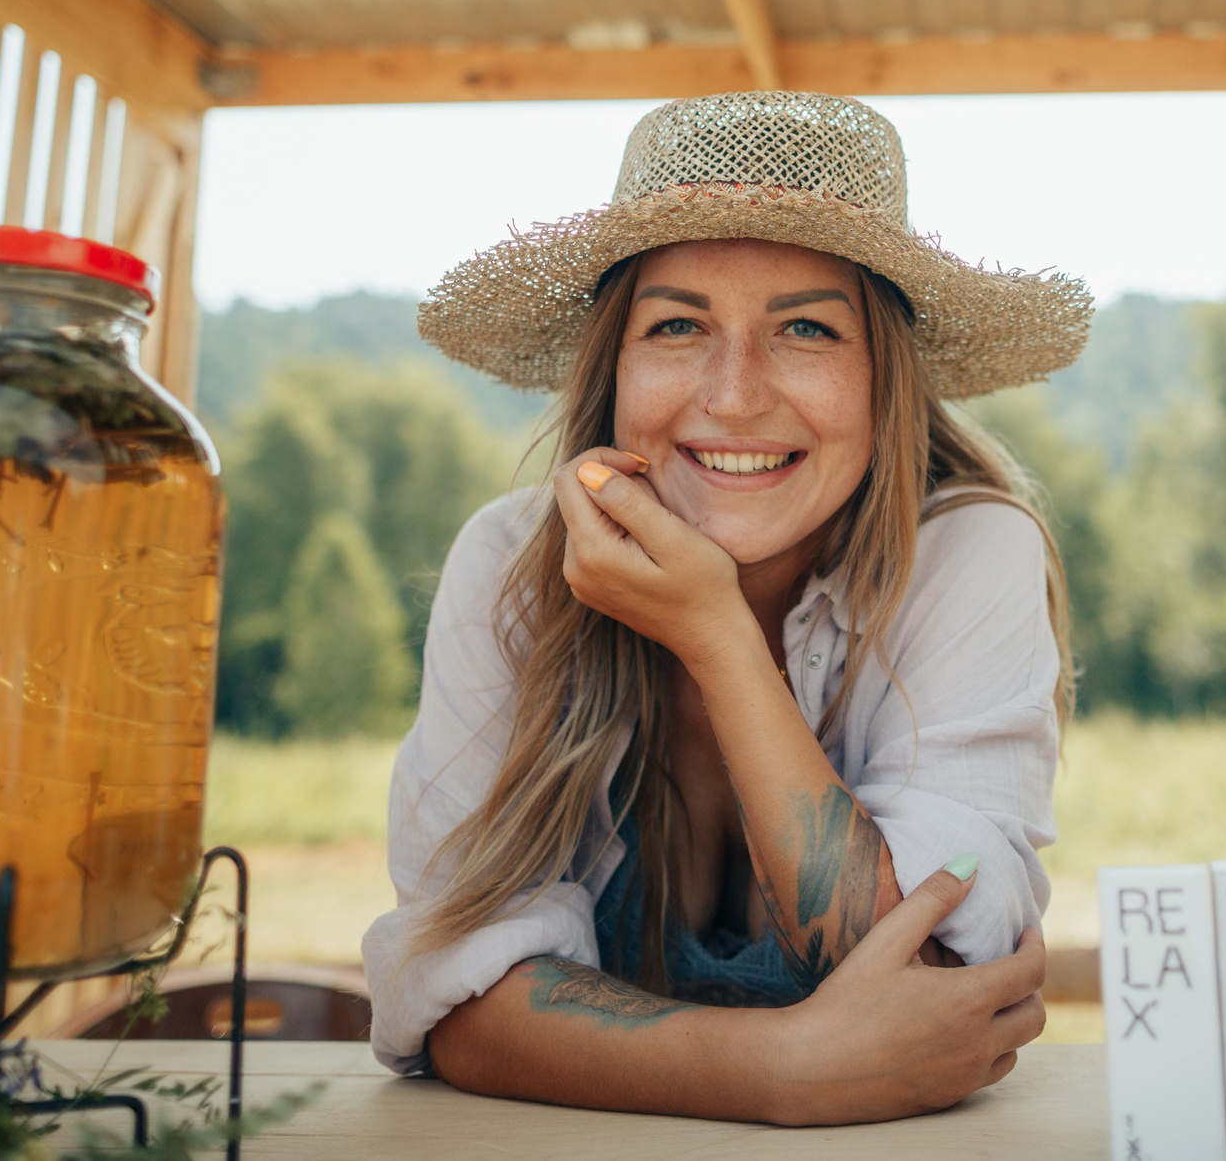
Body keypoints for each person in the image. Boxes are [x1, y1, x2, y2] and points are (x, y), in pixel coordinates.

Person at [361, 91, 1093, 1124]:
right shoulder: (509, 563)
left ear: (884, 378)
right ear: (612, 368)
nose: (736, 394)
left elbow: (930, 979)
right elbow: (451, 998)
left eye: (804, 328)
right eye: (676, 325)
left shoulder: (968, 551)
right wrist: (778, 1068)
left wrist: (717, 638)